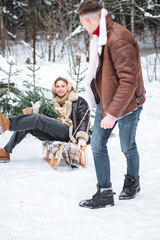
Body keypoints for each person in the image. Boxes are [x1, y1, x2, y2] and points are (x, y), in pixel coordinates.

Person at [78, 0, 146, 209]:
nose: (84, 28)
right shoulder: (100, 37)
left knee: (127, 146)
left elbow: (128, 81)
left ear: (88, 20)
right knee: (97, 145)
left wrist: (112, 114)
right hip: (106, 102)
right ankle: (105, 193)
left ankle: (132, 181)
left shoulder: (118, 38)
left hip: (127, 104)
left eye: (83, 24)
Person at [0, 77, 90, 163]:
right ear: (54, 89)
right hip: (54, 133)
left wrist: (81, 137)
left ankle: (8, 123)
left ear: (68, 87)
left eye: (63, 86)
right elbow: (47, 121)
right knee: (28, 124)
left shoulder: (78, 101)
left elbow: (84, 119)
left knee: (38, 118)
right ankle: (6, 151)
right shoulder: (53, 103)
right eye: (57, 86)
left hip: (69, 133)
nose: (60, 89)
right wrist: (36, 111)